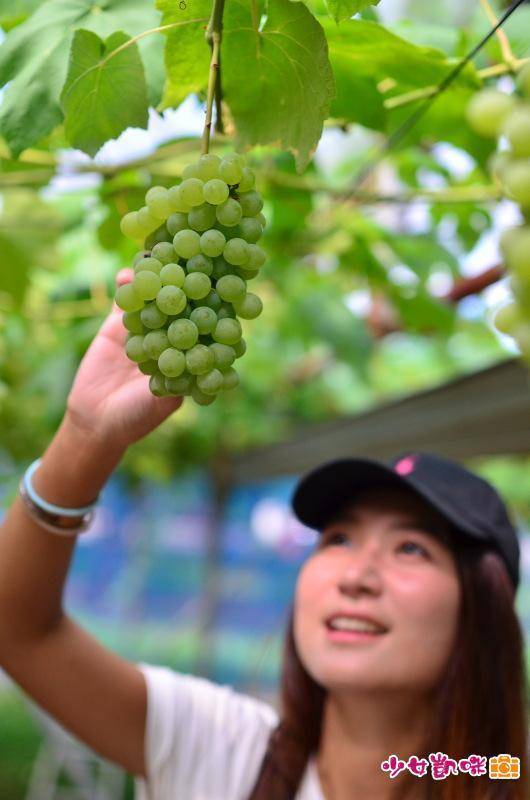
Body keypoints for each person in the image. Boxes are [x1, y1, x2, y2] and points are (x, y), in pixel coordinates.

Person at [0, 269, 528, 800]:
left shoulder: (506, 779)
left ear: (482, 605)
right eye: (339, 539)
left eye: (411, 548)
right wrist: (85, 438)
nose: (356, 576)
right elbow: (18, 630)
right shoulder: (225, 751)